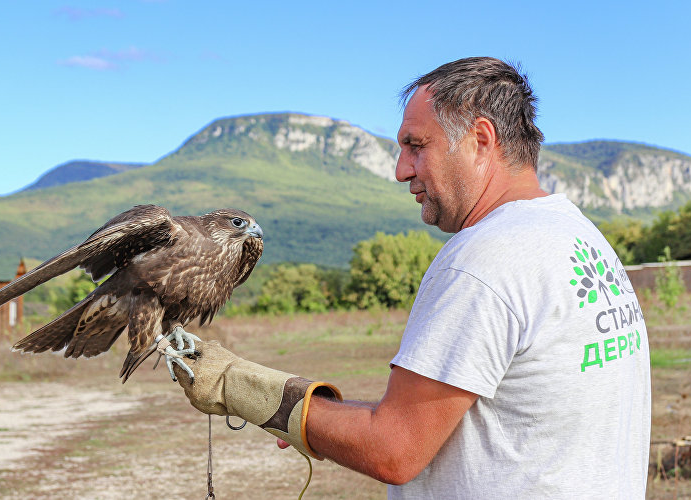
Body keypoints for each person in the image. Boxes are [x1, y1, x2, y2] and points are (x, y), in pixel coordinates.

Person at [177, 57, 651, 498]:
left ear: (481, 140)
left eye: (416, 146)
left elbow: (394, 449)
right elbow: (446, 413)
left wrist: (235, 385)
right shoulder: (576, 233)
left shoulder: (484, 259)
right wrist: (312, 411)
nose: (402, 169)